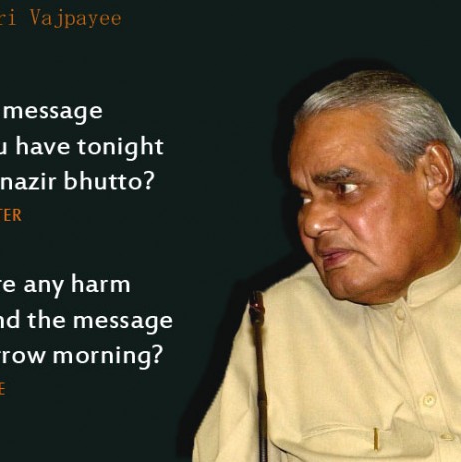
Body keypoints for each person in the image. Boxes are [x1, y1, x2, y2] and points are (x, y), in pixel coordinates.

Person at [193, 70, 461, 461]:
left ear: (434, 175)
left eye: (343, 188)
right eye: (305, 198)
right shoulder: (276, 322)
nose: (312, 223)